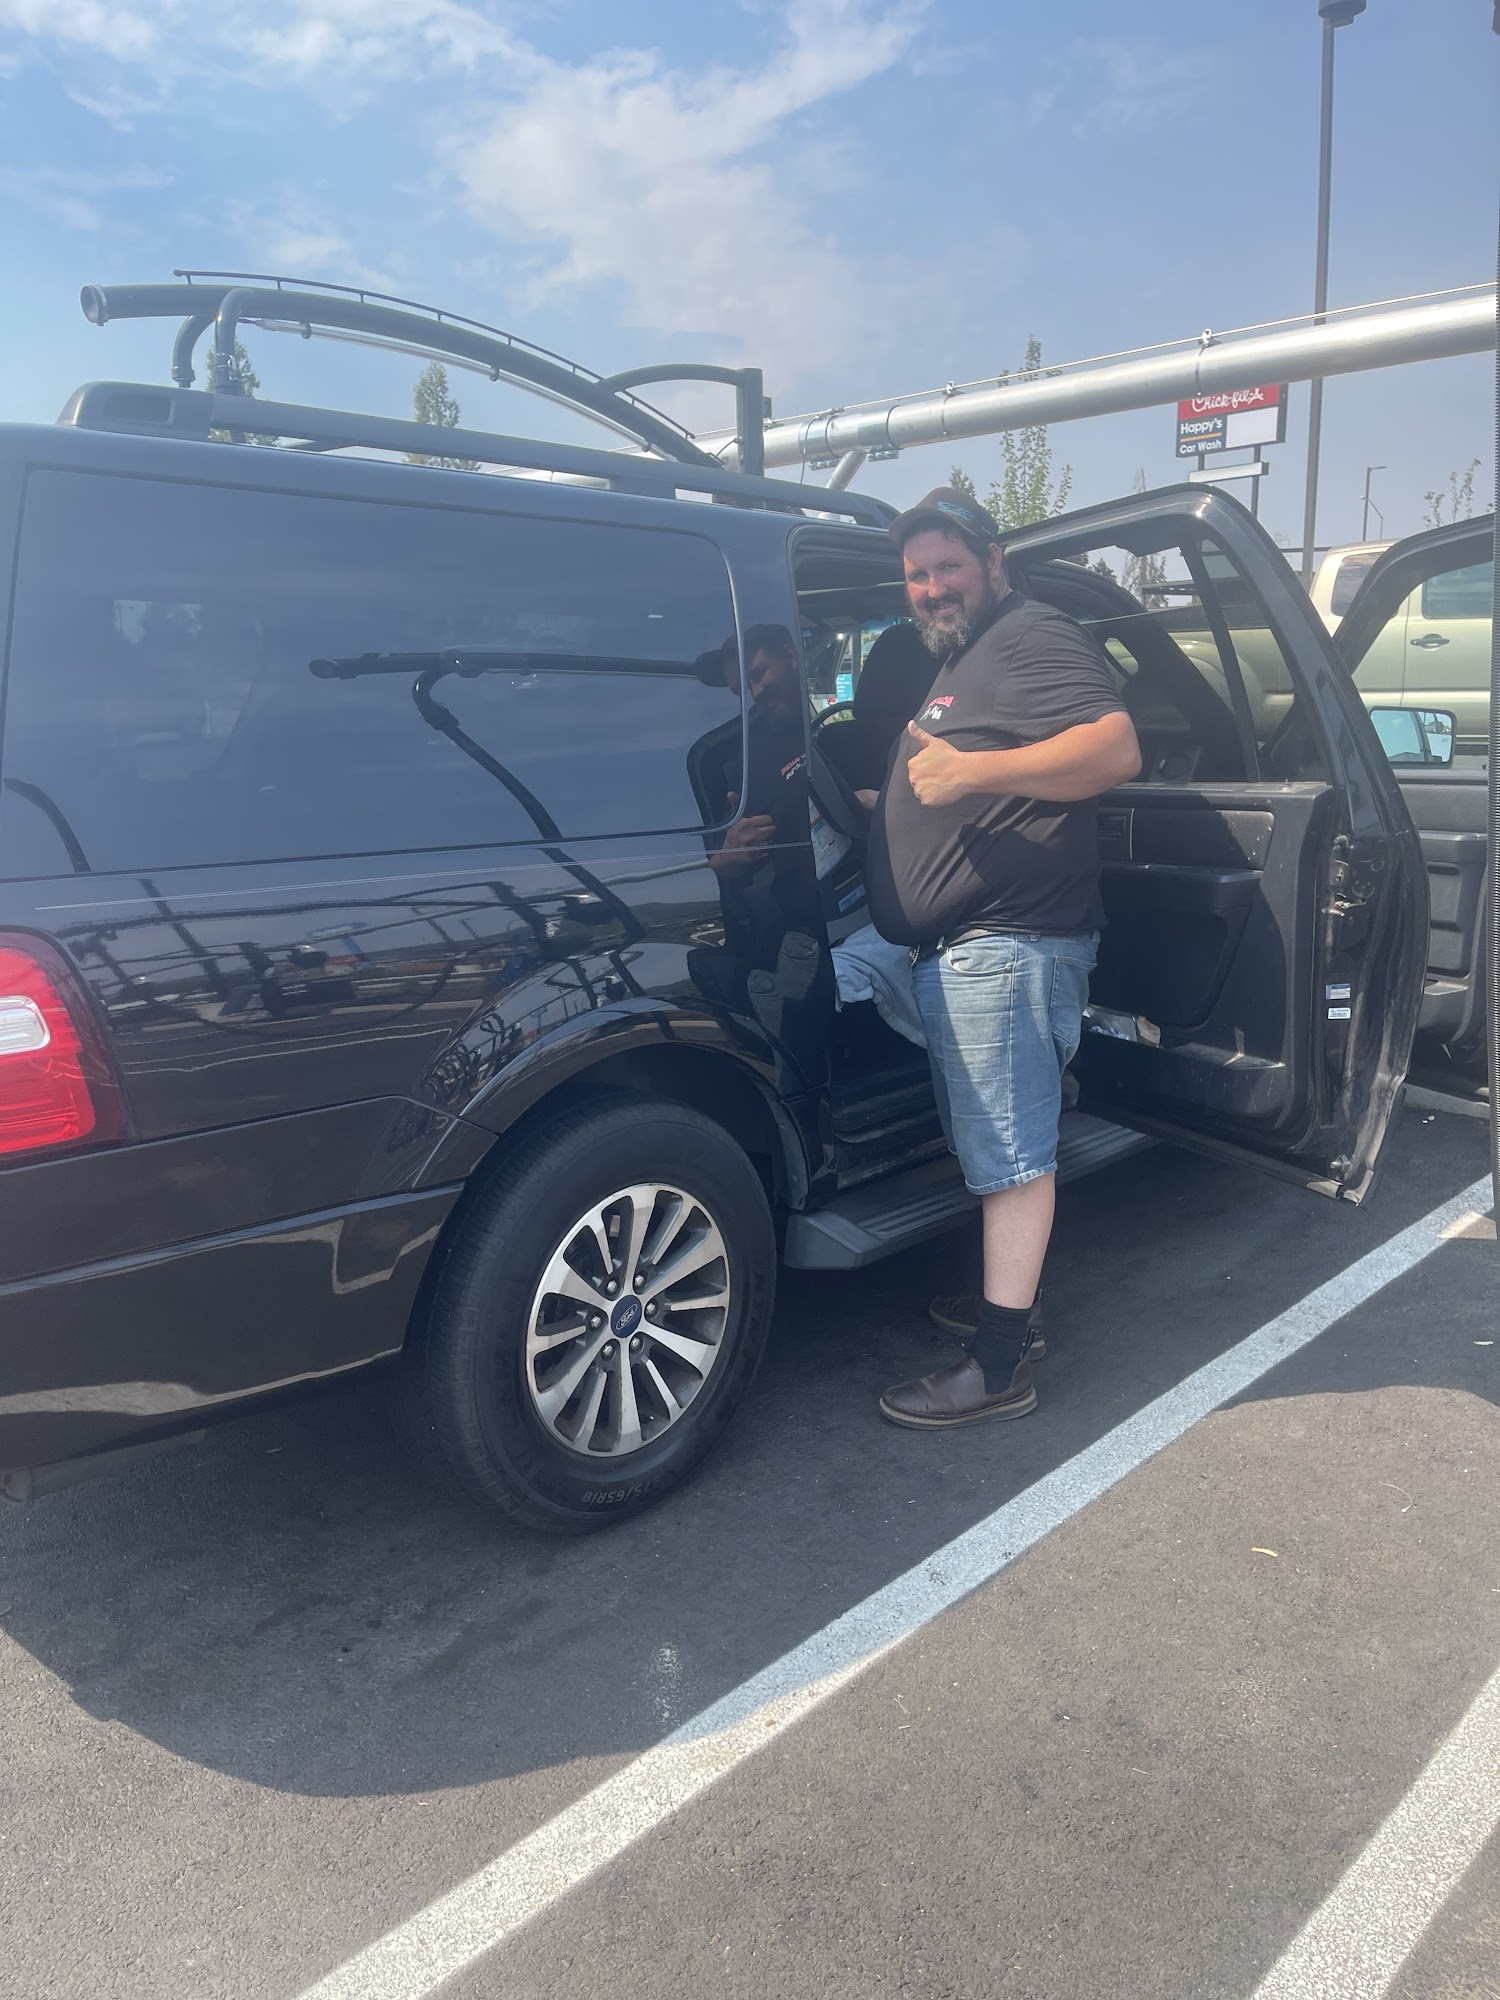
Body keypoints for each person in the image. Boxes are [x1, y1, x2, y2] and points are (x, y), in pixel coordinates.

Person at [864, 487, 1141, 1429]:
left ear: (992, 561)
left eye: (948, 566)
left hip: (1013, 943)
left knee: (1013, 1156)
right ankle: (1009, 1308)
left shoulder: (1032, 633)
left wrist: (972, 770)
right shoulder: (966, 653)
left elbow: (1115, 749)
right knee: (990, 1142)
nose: (932, 586)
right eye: (917, 575)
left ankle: (998, 1366)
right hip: (969, 947)